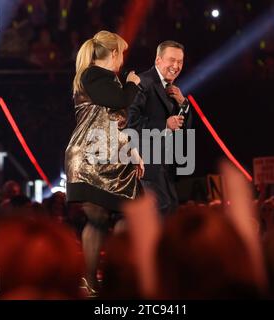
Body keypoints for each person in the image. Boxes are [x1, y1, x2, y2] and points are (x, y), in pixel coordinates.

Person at [64, 30, 144, 294]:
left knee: (126, 214)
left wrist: (133, 154)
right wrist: (133, 83)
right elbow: (120, 101)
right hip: (92, 161)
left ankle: (111, 276)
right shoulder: (94, 75)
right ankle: (91, 281)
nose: (123, 60)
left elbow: (116, 125)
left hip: (110, 159)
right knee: (100, 219)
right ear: (113, 53)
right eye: (121, 53)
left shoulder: (108, 81)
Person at [128, 40, 192, 215]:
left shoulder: (171, 88)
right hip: (147, 163)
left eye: (180, 61)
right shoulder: (143, 82)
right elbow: (130, 122)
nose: (176, 66)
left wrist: (183, 103)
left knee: (171, 209)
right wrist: (164, 125)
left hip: (166, 163)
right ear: (158, 60)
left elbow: (185, 127)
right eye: (172, 60)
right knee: (162, 212)